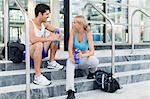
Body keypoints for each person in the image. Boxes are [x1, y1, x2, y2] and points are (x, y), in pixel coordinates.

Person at [21, 4, 64, 86]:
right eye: (46, 14)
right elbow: (33, 39)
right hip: (27, 52)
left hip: (39, 51)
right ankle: (37, 76)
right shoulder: (29, 23)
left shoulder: (44, 24)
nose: (48, 16)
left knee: (55, 34)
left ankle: (51, 62)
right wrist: (50, 39)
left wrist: (59, 34)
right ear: (40, 14)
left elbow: (56, 30)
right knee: (39, 44)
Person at [66, 15, 99, 99]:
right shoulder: (73, 31)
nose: (72, 24)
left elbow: (92, 51)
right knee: (69, 63)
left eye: (74, 22)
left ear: (80, 24)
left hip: (83, 57)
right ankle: (70, 91)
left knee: (94, 60)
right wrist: (71, 56)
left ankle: (92, 72)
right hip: (75, 58)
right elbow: (69, 47)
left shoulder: (87, 33)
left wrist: (83, 55)